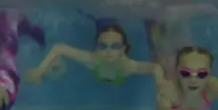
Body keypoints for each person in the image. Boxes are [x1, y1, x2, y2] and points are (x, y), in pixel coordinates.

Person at [25, 14, 165, 86]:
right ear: (96, 48)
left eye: (115, 47)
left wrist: (162, 86)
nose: (108, 51)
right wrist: (40, 71)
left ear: (123, 49)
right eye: (103, 46)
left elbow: (156, 68)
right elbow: (59, 48)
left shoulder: (126, 65)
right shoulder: (92, 59)